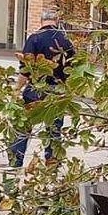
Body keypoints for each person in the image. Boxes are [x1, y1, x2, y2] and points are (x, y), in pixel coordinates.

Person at [8, 9, 75, 168]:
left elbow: (25, 68)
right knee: (54, 130)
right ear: (57, 21)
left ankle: (15, 161)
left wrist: (17, 89)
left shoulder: (34, 39)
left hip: (35, 90)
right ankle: (52, 163)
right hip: (58, 91)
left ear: (41, 21)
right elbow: (72, 69)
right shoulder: (66, 41)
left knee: (23, 126)